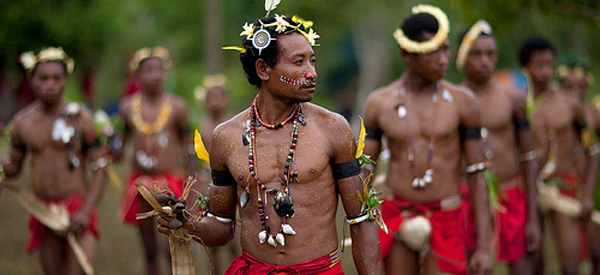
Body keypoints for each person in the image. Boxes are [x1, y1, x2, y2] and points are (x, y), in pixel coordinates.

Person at [157, 12, 383, 275]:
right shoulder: (226, 137)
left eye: (312, 61)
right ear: (263, 69)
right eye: (299, 62)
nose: (311, 73)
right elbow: (221, 226)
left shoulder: (333, 129)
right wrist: (189, 224)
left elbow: (361, 221)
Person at [362, 5, 493, 275]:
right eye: (433, 51)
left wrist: (483, 247)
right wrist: (363, 228)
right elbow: (365, 173)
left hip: (447, 218)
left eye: (446, 49)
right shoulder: (379, 104)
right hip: (398, 215)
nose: (444, 59)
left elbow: (478, 176)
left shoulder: (463, 103)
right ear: (406, 54)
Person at [1, 47, 107, 274]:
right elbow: (13, 168)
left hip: (77, 208)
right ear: (32, 81)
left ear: (65, 81)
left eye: (57, 78)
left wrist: (86, 211)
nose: (50, 84)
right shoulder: (22, 123)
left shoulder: (81, 119)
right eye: (43, 78)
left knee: (78, 270)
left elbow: (101, 168)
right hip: (44, 211)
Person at [456, 20, 541, 275]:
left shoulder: (513, 98)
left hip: (510, 195)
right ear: (462, 57)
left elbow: (528, 156)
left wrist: (533, 218)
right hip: (467, 197)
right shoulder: (453, 102)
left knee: (522, 265)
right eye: (477, 54)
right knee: (475, 266)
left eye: (491, 54)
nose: (485, 61)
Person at [115, 47, 196, 275]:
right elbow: (120, 145)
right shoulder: (127, 108)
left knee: (174, 243)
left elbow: (188, 147)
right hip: (140, 183)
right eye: (148, 70)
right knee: (149, 247)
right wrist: (111, 147)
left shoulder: (178, 106)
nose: (155, 75)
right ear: (138, 76)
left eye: (159, 70)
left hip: (172, 181)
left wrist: (192, 184)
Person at [524, 37, 598, 275]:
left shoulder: (570, 105)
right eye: (539, 65)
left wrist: (587, 194)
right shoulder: (518, 105)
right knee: (535, 263)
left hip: (564, 189)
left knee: (570, 265)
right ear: (526, 67)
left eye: (550, 65)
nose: (545, 72)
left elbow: (592, 150)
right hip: (527, 192)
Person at [557, 63, 600, 274]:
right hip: (566, 187)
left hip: (590, 185)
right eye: (570, 87)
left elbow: (592, 149)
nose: (576, 92)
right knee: (570, 259)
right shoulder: (557, 113)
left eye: (581, 87)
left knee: (596, 251)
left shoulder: (593, 114)